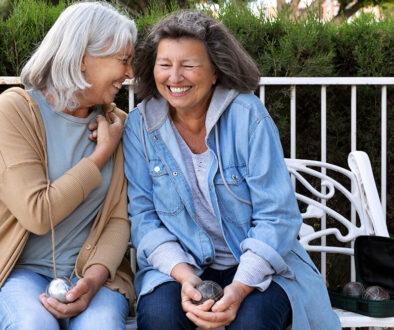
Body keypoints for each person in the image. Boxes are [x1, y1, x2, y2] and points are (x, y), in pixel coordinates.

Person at [123, 10, 341, 330]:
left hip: (259, 266)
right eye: (165, 64)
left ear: (215, 71)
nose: (175, 76)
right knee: (159, 318)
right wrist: (186, 278)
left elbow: (276, 216)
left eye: (189, 65)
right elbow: (144, 218)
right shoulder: (139, 126)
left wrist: (239, 289)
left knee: (252, 322)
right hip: (179, 265)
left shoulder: (248, 116)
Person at [0, 2, 137, 329]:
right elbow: (38, 212)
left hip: (96, 274)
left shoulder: (117, 123)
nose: (130, 73)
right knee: (33, 324)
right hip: (21, 272)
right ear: (82, 58)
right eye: (124, 60)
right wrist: (100, 156)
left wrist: (91, 281)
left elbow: (120, 219)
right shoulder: (15, 112)